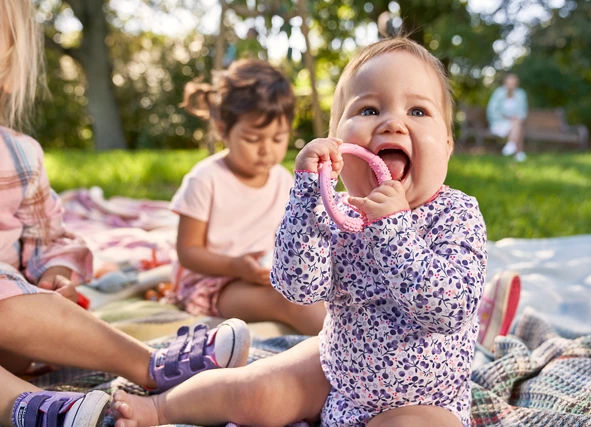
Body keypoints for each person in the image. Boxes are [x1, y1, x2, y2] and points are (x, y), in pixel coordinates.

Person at [112, 37, 521, 427]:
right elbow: (297, 287)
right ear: (338, 142)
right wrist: (307, 194)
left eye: (417, 112)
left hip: (423, 397)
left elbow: (448, 308)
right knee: (255, 390)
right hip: (336, 371)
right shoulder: (336, 211)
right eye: (368, 110)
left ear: (448, 143)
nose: (393, 124)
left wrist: (394, 229)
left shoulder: (456, 214)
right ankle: (160, 409)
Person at [0, 2, 250, 426]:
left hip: (14, 332)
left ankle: (151, 366)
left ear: (7, 69)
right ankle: (47, 412)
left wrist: (55, 271)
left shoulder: (19, 157)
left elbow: (48, 239)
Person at [165, 59, 326, 335]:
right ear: (222, 128)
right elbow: (188, 252)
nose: (266, 150)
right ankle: (354, 355)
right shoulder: (205, 180)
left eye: (278, 139)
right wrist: (237, 267)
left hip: (266, 275)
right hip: (216, 282)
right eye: (253, 139)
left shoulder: (283, 179)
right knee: (290, 302)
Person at [487, 73, 528, 162]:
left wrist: (516, 118)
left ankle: (511, 144)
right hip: (499, 123)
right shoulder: (498, 93)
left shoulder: (521, 94)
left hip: (515, 123)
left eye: (513, 83)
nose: (511, 85)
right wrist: (507, 117)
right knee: (518, 126)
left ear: (517, 84)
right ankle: (519, 153)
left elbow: (523, 112)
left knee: (517, 123)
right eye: (509, 83)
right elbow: (492, 111)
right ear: (505, 83)